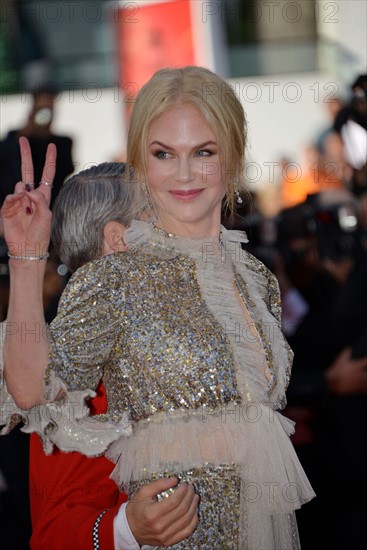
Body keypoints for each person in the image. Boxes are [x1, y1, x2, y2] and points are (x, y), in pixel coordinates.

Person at [1, 66, 314, 548]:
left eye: (203, 152)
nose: (184, 173)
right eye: (164, 154)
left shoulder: (257, 280)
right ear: (142, 164)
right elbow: (33, 391)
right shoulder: (115, 276)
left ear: (230, 157)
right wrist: (26, 259)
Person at [1, 151, 199, 549]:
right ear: (118, 239)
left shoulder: (181, 332)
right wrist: (127, 528)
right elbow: (53, 534)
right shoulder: (79, 366)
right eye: (159, 217)